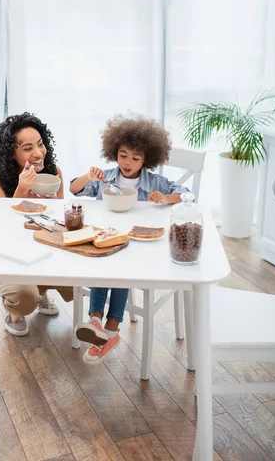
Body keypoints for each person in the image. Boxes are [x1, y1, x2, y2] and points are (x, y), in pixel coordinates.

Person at [70, 114, 189, 364]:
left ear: (147, 159)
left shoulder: (155, 182)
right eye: (123, 155)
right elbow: (73, 189)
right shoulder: (106, 179)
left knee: (120, 268)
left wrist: (167, 199)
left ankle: (110, 329)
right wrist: (88, 177)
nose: (128, 162)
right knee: (108, 263)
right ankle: (96, 324)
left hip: (140, 249)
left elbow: (187, 194)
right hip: (109, 243)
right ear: (115, 152)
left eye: (136, 158)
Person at [0, 112, 72, 336]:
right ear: (11, 153)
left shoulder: (54, 174)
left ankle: (40, 289)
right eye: (27, 148)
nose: (37, 153)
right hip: (9, 254)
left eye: (40, 144)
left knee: (80, 283)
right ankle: (15, 311)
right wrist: (22, 189)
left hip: (44, 247)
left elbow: (60, 221)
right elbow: (5, 227)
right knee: (25, 298)